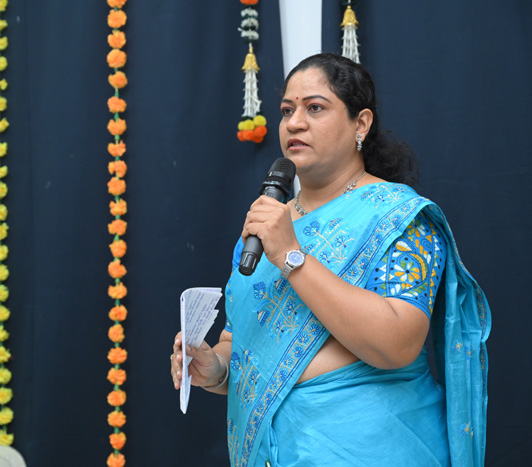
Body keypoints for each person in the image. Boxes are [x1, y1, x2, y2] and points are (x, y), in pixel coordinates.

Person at [170, 53, 490, 467]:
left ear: (361, 124)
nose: (294, 123)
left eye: (315, 108)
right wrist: (214, 369)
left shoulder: (396, 217)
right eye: (287, 110)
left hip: (373, 449)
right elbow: (242, 343)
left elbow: (399, 343)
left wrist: (292, 256)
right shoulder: (266, 225)